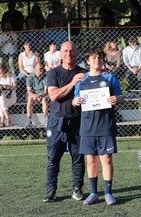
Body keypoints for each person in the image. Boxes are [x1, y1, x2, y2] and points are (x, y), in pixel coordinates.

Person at [72, 47, 124, 205]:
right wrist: (75, 101)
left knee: (106, 159)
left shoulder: (110, 78)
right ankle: (94, 193)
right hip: (87, 126)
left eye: (99, 58)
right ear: (88, 61)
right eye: (93, 58)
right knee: (90, 160)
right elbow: (75, 99)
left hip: (105, 125)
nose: (97, 60)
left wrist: (116, 99)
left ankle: (108, 193)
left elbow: (121, 96)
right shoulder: (81, 80)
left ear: (103, 60)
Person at [43, 41, 87, 202]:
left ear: (76, 53)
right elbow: (53, 96)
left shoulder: (84, 73)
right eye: (66, 51)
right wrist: (73, 83)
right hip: (57, 121)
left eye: (72, 51)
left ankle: (77, 188)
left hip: (77, 121)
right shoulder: (54, 73)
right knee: (53, 157)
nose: (69, 54)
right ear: (61, 54)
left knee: (78, 157)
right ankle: (50, 190)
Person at [25, 63, 48, 128]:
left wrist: (41, 95)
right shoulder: (29, 77)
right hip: (33, 94)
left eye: (42, 69)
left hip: (42, 94)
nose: (41, 70)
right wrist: (34, 95)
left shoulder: (45, 77)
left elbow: (45, 90)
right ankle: (29, 120)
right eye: (40, 69)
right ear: (34, 69)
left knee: (44, 100)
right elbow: (29, 91)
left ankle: (46, 120)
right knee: (29, 100)